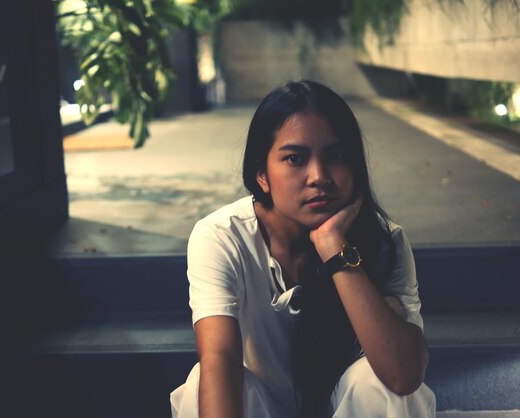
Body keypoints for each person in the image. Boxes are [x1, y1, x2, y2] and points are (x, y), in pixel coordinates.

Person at [170, 80, 436, 418]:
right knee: (201, 387)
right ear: (261, 174)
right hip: (262, 408)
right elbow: (218, 357)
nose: (319, 176)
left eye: (336, 156)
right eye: (295, 158)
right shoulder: (221, 236)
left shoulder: (384, 240)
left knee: (380, 383)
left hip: (344, 409)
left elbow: (403, 375)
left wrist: (336, 250)